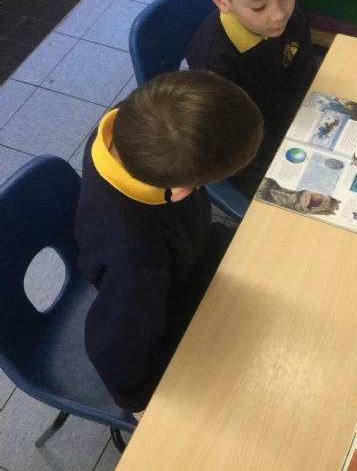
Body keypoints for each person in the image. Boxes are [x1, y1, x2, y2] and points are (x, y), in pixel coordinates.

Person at [75, 70, 263, 420]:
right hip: (167, 301)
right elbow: (112, 346)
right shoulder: (136, 260)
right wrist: (138, 402)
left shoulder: (128, 124)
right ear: (181, 190)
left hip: (192, 252)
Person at [186, 0, 318, 198]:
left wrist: (304, 132)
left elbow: (302, 79)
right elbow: (228, 143)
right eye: (259, 7)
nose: (279, 14)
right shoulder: (215, 63)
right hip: (249, 152)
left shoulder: (292, 19)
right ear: (221, 1)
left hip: (289, 126)